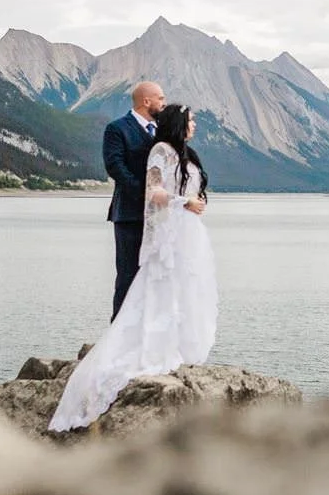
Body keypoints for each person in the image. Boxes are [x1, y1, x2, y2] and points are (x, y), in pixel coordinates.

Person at [50, 103, 216, 433]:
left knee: (189, 286)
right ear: (179, 122)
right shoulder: (160, 150)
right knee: (160, 287)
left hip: (189, 231)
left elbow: (186, 188)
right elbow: (154, 192)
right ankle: (150, 346)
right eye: (192, 120)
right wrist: (186, 202)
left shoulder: (187, 153)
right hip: (172, 232)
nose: (195, 125)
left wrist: (198, 201)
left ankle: (181, 344)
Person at [102, 81, 166, 319]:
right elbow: (115, 167)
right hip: (129, 214)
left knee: (156, 274)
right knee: (128, 275)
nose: (164, 103)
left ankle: (148, 332)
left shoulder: (162, 130)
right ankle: (118, 333)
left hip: (158, 215)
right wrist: (145, 194)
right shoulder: (117, 129)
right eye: (160, 98)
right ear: (146, 101)